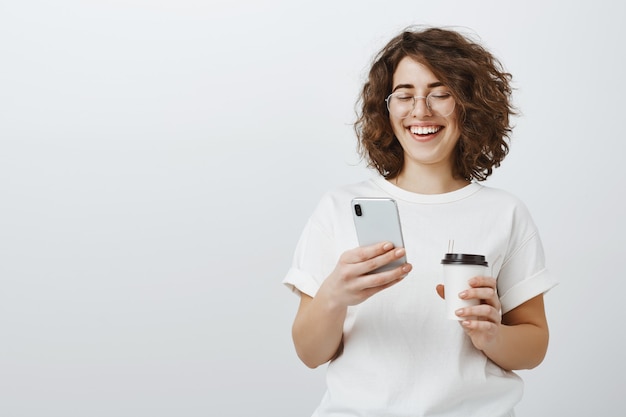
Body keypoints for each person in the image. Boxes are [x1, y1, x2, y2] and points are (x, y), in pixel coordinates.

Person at [282, 26, 558, 417]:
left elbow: (534, 347)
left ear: (469, 103)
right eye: (405, 95)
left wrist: (490, 334)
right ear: (386, 106)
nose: (420, 111)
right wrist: (334, 296)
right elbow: (310, 354)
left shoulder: (505, 213)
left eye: (440, 93)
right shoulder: (338, 207)